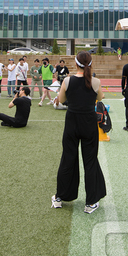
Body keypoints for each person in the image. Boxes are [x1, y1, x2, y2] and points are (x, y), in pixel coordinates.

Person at [51, 52, 106, 214]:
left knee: (68, 158)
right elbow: (100, 98)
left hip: (72, 123)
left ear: (75, 64)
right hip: (88, 123)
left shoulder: (67, 80)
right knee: (90, 161)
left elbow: (61, 100)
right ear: (90, 64)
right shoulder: (95, 81)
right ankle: (91, 202)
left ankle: (60, 197)